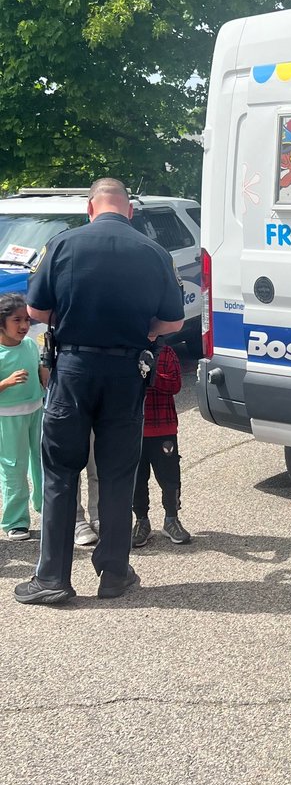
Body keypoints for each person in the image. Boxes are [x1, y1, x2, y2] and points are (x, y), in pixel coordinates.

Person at [14, 178, 184, 606]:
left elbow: (36, 311)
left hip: (72, 369)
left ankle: (52, 578)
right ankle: (114, 573)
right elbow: (174, 322)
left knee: (60, 472)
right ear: (129, 211)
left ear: (91, 208)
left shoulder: (63, 244)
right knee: (117, 473)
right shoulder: (154, 252)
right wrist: (142, 331)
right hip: (127, 371)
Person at [132, 340, 192, 548]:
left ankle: (171, 519)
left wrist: (151, 375)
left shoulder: (167, 353)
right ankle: (141, 521)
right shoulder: (128, 351)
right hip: (134, 428)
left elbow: (175, 385)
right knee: (137, 479)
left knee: (170, 477)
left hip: (163, 427)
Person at [0, 293, 47, 540]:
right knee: (13, 467)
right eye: (17, 320)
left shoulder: (30, 344)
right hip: (8, 418)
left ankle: (46, 509)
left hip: (36, 411)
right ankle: (15, 521)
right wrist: (6, 382)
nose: (24, 326)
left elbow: (41, 371)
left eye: (27, 320)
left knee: (41, 462)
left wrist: (45, 374)